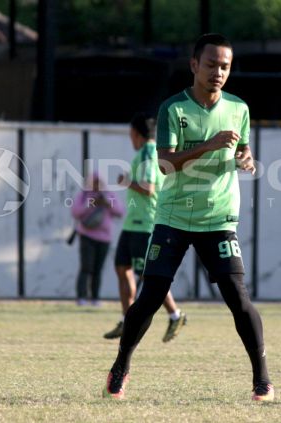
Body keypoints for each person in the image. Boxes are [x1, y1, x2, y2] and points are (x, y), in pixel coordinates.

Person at [102, 33, 273, 402]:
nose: (218, 72)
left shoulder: (239, 109)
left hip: (219, 217)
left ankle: (262, 379)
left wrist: (247, 159)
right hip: (174, 217)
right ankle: (120, 368)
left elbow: (244, 150)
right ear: (194, 65)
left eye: (224, 66)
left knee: (238, 298)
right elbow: (164, 163)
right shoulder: (173, 109)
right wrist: (208, 145)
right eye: (211, 64)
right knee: (150, 296)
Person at [104, 113, 187, 342]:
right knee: (122, 268)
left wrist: (126, 182)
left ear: (136, 133)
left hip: (145, 224)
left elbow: (149, 188)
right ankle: (126, 318)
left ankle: (175, 314)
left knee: (148, 276)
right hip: (132, 223)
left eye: (130, 133)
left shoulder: (149, 152)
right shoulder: (142, 153)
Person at [71, 172, 124, 306]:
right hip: (87, 236)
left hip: (104, 238)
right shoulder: (84, 195)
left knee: (97, 269)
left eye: (98, 181)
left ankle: (95, 298)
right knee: (86, 267)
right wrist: (91, 204)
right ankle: (81, 297)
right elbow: (75, 212)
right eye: (94, 181)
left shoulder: (108, 194)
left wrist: (107, 203)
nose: (96, 185)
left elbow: (120, 211)